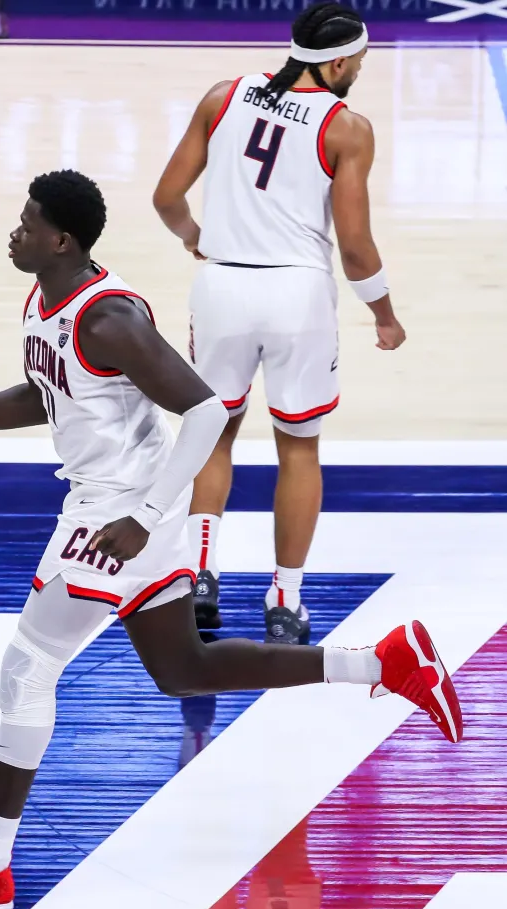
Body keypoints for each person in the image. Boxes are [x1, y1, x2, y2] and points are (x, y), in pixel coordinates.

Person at [0, 169, 459, 909]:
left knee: (29, 666)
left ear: (61, 239)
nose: (16, 232)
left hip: (118, 517)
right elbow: (44, 393)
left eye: (28, 223)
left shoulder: (109, 319)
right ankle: (380, 663)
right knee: (182, 670)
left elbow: (205, 410)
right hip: (127, 516)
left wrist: (147, 513)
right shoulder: (48, 299)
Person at [153, 2, 405, 643]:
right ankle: (285, 602)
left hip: (222, 288)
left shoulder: (224, 96)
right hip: (297, 298)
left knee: (213, 433)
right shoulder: (347, 128)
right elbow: (354, 246)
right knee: (298, 448)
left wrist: (195, 239)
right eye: (361, 63)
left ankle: (200, 577)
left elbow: (166, 197)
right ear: (342, 61)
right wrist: (383, 313)